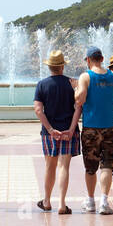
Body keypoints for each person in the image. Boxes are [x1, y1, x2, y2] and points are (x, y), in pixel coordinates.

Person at [67, 46, 113, 215]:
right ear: (102, 58)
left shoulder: (85, 76)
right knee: (107, 165)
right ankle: (104, 200)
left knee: (90, 167)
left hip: (91, 128)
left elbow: (80, 99)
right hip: (110, 126)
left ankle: (90, 201)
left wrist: (75, 90)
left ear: (88, 60)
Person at [33, 50, 79, 213]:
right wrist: (72, 128)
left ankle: (46, 201)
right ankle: (61, 203)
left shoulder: (42, 85)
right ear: (62, 66)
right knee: (64, 167)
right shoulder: (73, 84)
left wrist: (51, 129)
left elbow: (38, 110)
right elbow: (78, 107)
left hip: (49, 133)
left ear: (50, 67)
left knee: (49, 166)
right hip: (69, 131)